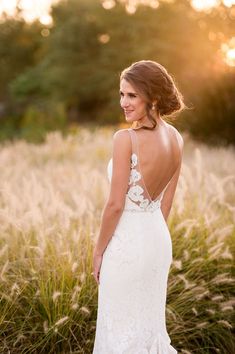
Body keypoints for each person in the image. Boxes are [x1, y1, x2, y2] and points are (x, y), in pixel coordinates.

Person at [92, 60, 184, 353]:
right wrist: (152, 237)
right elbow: (165, 203)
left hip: (126, 246)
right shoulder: (176, 138)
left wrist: (98, 251)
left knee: (120, 333)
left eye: (132, 95)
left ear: (152, 97)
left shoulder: (125, 139)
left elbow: (115, 205)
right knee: (147, 330)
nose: (124, 102)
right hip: (157, 240)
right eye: (122, 94)